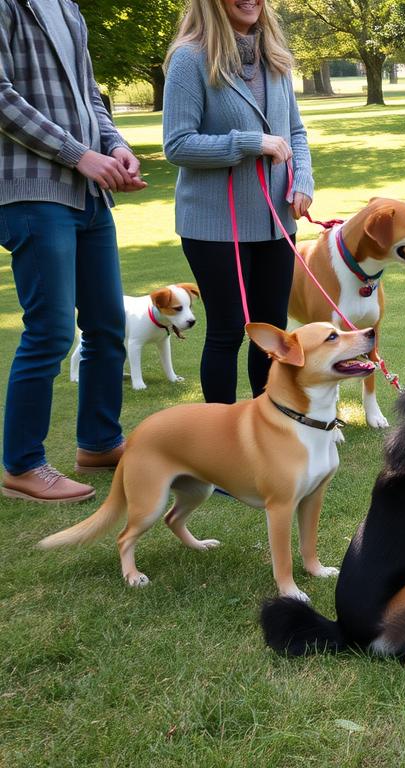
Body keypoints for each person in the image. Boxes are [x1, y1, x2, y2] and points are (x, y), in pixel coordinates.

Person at [0, 0, 147, 502]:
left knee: (107, 322)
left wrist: (114, 145)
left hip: (88, 195)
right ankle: (22, 464)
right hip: (32, 192)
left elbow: (90, 95)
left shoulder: (67, 8)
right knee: (51, 330)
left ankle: (100, 443)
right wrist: (77, 154)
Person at [162, 0, 313, 404]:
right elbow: (177, 145)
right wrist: (249, 144)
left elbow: (295, 132)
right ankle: (219, 438)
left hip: (276, 221)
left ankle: (272, 428)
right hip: (213, 224)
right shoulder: (189, 58)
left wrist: (303, 180)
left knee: (271, 330)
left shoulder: (275, 56)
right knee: (228, 329)